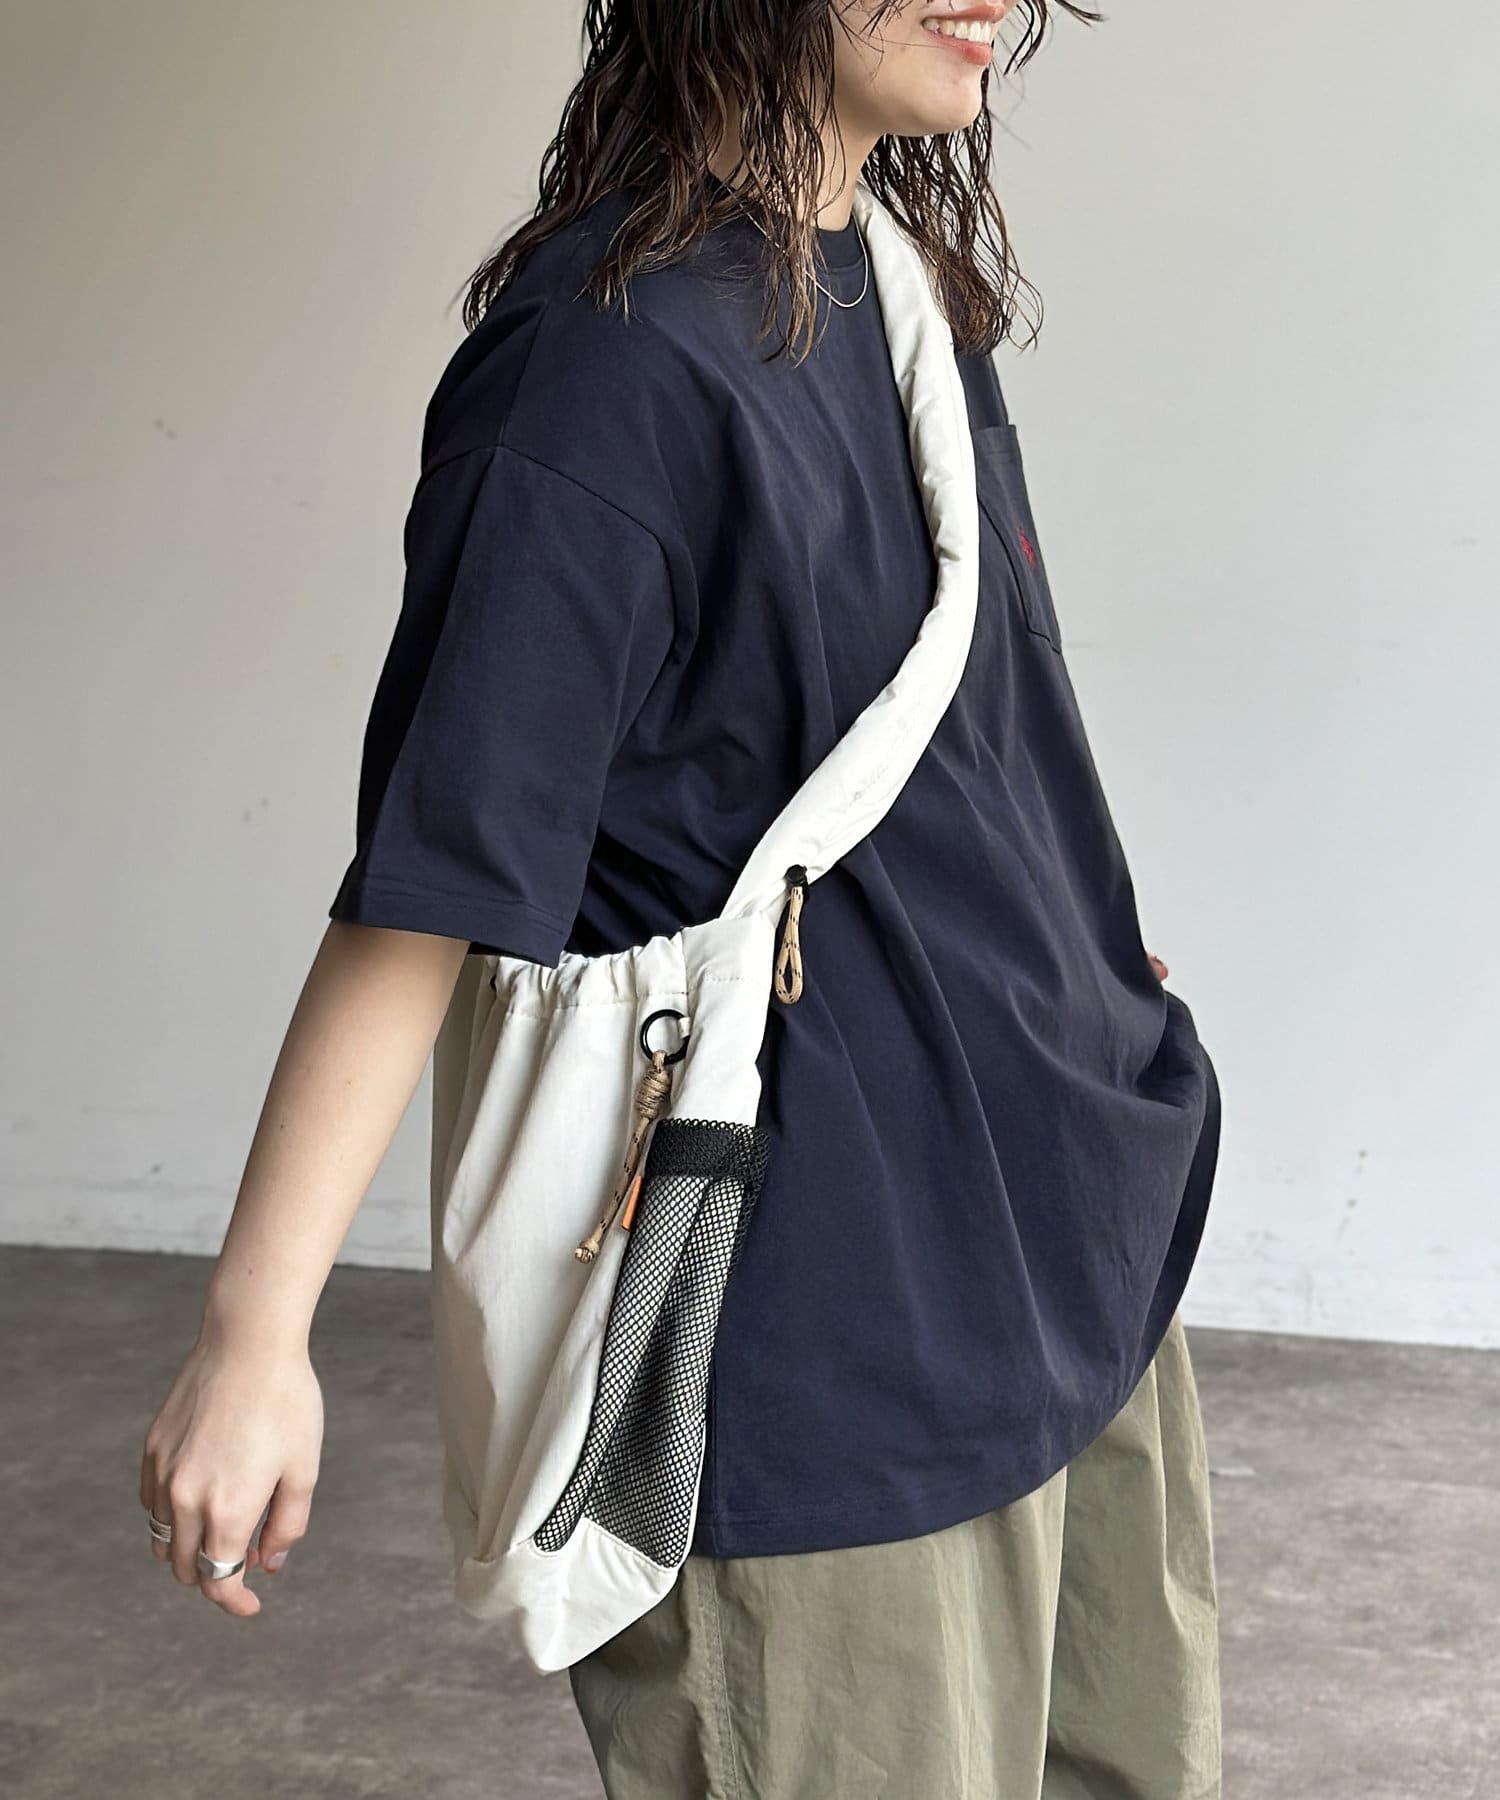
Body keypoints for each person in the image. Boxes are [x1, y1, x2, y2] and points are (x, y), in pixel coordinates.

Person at [139, 1, 1224, 1794]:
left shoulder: (906, 294)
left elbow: (980, 727)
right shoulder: (603, 368)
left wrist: (1075, 958)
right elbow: (435, 883)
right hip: (820, 1326)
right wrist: (256, 1336)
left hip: (1076, 1234)